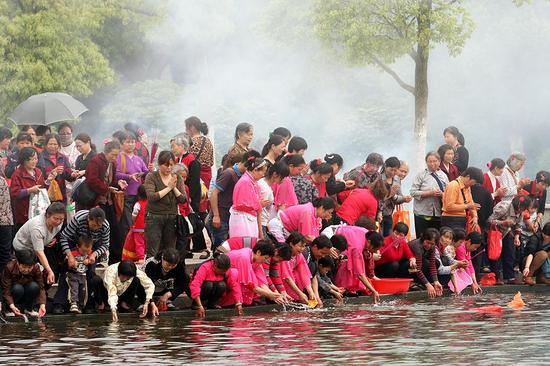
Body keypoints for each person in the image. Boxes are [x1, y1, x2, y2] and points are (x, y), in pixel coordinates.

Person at [53, 207, 110, 314]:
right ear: (89, 219)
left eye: (99, 226)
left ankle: (88, 304)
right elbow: (64, 237)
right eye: (94, 225)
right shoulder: (79, 219)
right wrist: (69, 255)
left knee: (90, 273)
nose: (96, 228)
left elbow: (105, 244)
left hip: (92, 246)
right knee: (68, 272)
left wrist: (94, 254)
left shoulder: (105, 225)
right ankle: (60, 303)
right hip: (75, 242)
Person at [144, 151, 187, 258]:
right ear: (159, 164)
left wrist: (174, 187)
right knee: (153, 250)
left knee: (170, 250)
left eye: (171, 165)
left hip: (171, 217)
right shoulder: (151, 176)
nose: (168, 168)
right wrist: (168, 188)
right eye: (166, 165)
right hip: (154, 216)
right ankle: (151, 272)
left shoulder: (177, 177)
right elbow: (151, 197)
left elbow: (183, 199)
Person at [12, 202, 65, 285]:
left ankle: (42, 292)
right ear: (47, 215)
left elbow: (54, 232)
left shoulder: (60, 222)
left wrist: (53, 238)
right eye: (55, 218)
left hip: (42, 245)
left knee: (54, 270)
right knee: (36, 273)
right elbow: (39, 252)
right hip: (24, 247)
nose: (58, 222)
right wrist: (49, 270)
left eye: (61, 219)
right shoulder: (37, 227)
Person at [219, 242, 284, 306]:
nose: (265, 261)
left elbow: (261, 281)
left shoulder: (256, 258)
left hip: (232, 280)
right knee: (238, 276)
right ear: (258, 252)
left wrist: (274, 295)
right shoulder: (244, 257)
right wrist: (268, 295)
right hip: (222, 279)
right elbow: (248, 284)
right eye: (265, 258)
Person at [488, 195, 533, 284]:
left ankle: (510, 277)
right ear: (520, 206)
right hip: (494, 233)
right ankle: (495, 277)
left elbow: (518, 225)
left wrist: (517, 236)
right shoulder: (504, 207)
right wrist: (503, 222)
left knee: (510, 253)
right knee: (495, 255)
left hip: (507, 233)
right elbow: (489, 220)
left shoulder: (521, 212)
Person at [209, 152, 250, 249]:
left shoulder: (242, 175)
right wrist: (216, 215)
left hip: (230, 217)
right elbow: (214, 194)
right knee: (221, 249)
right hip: (221, 216)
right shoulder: (228, 173)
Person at [116, 131, 150, 243]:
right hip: (126, 194)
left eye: (132, 142)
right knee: (127, 222)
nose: (130, 144)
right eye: (128, 142)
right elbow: (116, 174)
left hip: (139, 195)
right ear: (122, 144)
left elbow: (146, 172)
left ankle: (139, 245)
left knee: (139, 221)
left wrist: (146, 171)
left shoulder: (138, 159)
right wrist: (129, 176)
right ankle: (127, 245)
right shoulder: (119, 158)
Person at [10, 147, 55, 230]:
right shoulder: (17, 174)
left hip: (39, 211)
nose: (35, 161)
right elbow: (14, 193)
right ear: (24, 160)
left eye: (36, 159)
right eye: (31, 159)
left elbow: (41, 188)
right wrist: (29, 191)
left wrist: (48, 181)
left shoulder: (38, 171)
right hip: (24, 212)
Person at [333, 225, 380, 303]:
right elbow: (360, 274)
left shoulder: (367, 234)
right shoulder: (357, 248)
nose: (374, 252)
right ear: (369, 242)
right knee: (347, 264)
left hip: (341, 235)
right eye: (374, 249)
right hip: (332, 236)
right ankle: (340, 290)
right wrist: (373, 290)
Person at [189, 253, 243, 317]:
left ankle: (212, 303)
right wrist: (199, 305)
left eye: (225, 271)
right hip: (202, 291)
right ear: (215, 266)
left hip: (215, 290)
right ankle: (196, 304)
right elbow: (195, 286)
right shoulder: (205, 267)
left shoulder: (226, 271)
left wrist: (238, 303)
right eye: (221, 271)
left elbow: (234, 285)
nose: (223, 273)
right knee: (209, 285)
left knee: (222, 285)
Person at [410, 151, 449, 235]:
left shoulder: (444, 176)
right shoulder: (421, 175)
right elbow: (413, 192)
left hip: (438, 212)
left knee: (435, 237)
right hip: (422, 213)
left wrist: (442, 194)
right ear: (426, 162)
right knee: (422, 236)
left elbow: (448, 193)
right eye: (429, 161)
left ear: (439, 162)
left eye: (434, 161)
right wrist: (429, 193)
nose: (432, 164)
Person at [229, 153, 268, 238]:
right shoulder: (245, 182)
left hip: (249, 219)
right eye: (262, 172)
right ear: (255, 170)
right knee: (244, 246)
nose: (263, 175)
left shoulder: (254, 183)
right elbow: (241, 205)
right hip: (242, 219)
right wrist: (259, 204)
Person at [1, 250, 46, 318]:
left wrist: (42, 305)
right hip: (14, 293)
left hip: (27, 291)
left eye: (29, 267)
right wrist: (11, 305)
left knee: (34, 286)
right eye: (24, 267)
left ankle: (29, 309)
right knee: (18, 288)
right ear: (18, 263)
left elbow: (41, 287)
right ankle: (9, 310)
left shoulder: (36, 268)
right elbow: (6, 290)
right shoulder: (9, 267)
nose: (26, 270)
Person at [268, 197, 335, 243]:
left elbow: (314, 236)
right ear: (322, 208)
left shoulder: (316, 215)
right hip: (278, 227)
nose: (329, 215)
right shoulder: (308, 212)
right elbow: (307, 236)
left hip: (286, 231)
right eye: (329, 212)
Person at [37, 134, 76, 202]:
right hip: (46, 194)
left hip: (60, 194)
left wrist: (73, 175)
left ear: (58, 145)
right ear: (46, 145)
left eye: (55, 144)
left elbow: (68, 175)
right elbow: (38, 176)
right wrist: (52, 173)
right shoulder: (39, 158)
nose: (53, 146)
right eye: (50, 144)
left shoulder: (63, 158)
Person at [379, 157, 412, 237]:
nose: (393, 172)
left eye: (395, 170)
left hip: (388, 213)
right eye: (391, 170)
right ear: (385, 167)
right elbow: (379, 197)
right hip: (377, 213)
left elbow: (398, 198)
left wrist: (404, 199)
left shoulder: (396, 179)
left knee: (387, 238)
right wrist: (392, 194)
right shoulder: (379, 178)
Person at [280, 232, 315, 303]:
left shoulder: (299, 255)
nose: (302, 249)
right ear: (291, 244)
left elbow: (304, 274)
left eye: (304, 246)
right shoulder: (284, 254)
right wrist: (300, 293)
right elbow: (286, 276)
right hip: (281, 280)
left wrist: (311, 292)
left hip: (290, 280)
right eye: (300, 246)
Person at [408, 229, 443, 298]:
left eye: (432, 244)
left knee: (436, 262)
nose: (429, 245)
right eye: (427, 242)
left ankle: (422, 282)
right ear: (423, 239)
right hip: (407, 268)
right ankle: (413, 282)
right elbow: (417, 269)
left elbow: (432, 265)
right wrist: (428, 284)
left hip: (417, 267)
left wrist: (436, 281)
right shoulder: (417, 246)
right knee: (425, 263)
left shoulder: (432, 247)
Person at [258, 161, 289, 237]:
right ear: (275, 174)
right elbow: (259, 211)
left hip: (264, 223)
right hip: (261, 224)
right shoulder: (265, 190)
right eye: (283, 177)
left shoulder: (263, 183)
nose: (284, 180)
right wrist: (261, 233)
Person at [301, 235, 333, 307]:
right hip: (299, 291)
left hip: (307, 291)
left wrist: (316, 296)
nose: (323, 256)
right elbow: (302, 275)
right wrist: (310, 293)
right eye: (322, 253)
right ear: (315, 247)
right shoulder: (305, 254)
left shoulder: (315, 257)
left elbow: (314, 277)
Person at [186, 116, 214, 190]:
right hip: (207, 178)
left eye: (186, 128)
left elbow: (186, 162)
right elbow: (211, 162)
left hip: (194, 177)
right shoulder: (208, 141)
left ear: (192, 127)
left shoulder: (190, 143)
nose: (186, 130)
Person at [121, 185, 148, 263]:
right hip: (149, 227)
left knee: (139, 243)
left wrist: (134, 221)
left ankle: (140, 257)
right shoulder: (151, 204)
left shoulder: (138, 204)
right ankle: (145, 255)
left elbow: (134, 215)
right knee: (146, 242)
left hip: (138, 227)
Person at [67, 235, 93, 313]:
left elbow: (93, 260)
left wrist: (88, 260)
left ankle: (80, 306)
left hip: (83, 275)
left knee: (83, 291)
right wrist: (72, 263)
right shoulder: (73, 253)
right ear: (77, 246)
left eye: (87, 251)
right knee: (74, 288)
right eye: (83, 251)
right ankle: (73, 303)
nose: (85, 253)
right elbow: (66, 260)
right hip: (73, 274)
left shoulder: (90, 253)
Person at [0, 173, 13, 272]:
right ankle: (5, 284)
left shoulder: (2, 181)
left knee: (4, 254)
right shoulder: (2, 180)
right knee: (5, 254)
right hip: (6, 221)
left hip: (4, 221)